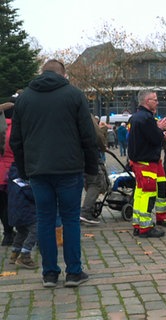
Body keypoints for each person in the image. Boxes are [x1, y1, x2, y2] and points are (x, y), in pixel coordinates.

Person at [10, 59, 99, 288]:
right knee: (70, 220)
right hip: (69, 169)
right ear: (63, 74)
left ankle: (49, 274)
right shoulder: (74, 95)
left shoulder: (25, 98)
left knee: (45, 220)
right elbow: (88, 136)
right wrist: (91, 169)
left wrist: (24, 170)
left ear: (42, 73)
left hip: (38, 171)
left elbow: (16, 141)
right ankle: (74, 273)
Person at [128, 90, 166, 237]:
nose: (157, 102)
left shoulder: (136, 117)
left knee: (140, 194)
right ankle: (145, 228)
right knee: (148, 194)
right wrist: (160, 130)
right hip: (146, 162)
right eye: (155, 99)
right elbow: (154, 138)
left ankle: (138, 224)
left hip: (140, 161)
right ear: (147, 101)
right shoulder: (146, 118)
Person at [80, 114, 109, 225]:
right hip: (88, 154)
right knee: (96, 182)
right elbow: (97, 136)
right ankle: (85, 212)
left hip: (72, 155)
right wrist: (102, 145)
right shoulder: (83, 112)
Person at [7, 163, 38, 268]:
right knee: (36, 229)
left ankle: (14, 253)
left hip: (15, 210)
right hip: (25, 209)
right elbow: (29, 191)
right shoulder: (20, 175)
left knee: (22, 231)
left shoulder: (12, 173)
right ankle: (25, 254)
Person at [0, 97, 15, 247]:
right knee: (15, 203)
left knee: (2, 205)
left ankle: (8, 234)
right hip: (12, 171)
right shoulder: (16, 128)